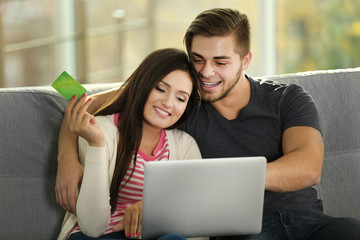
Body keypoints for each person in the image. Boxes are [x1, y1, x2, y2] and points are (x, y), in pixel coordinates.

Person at [56, 8, 360, 240]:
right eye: (198, 59)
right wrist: (67, 158)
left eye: (221, 62)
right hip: (244, 233)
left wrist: (216, 180)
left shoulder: (287, 99)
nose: (206, 72)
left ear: (246, 60)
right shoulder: (181, 103)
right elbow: (76, 97)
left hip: (312, 224)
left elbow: (307, 168)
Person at [57, 48, 202, 240]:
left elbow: (196, 220)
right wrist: (96, 144)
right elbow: (92, 227)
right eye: (160, 88)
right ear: (143, 84)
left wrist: (153, 207)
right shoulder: (100, 131)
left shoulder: (185, 146)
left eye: (180, 98)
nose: (168, 103)